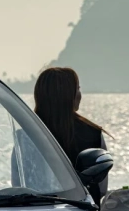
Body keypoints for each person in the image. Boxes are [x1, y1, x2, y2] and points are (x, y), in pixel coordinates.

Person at [31, 67, 109, 199]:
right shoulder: (93, 133)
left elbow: (19, 184)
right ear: (68, 95)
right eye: (78, 88)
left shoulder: (27, 134)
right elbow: (102, 189)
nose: (80, 94)